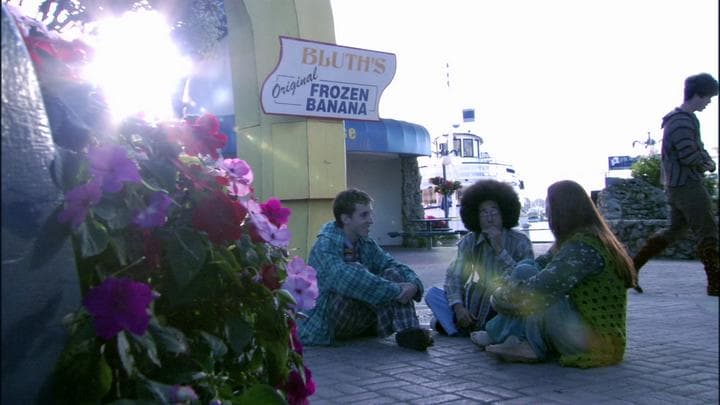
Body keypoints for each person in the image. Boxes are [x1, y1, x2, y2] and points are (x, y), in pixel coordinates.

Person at [471, 180, 637, 368]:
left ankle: (521, 342)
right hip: (590, 335)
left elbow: (539, 289)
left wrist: (497, 297)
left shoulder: (582, 248)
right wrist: (510, 280)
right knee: (525, 268)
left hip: (596, 343)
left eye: (549, 208)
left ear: (562, 212)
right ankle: (513, 339)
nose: (548, 214)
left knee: (542, 296)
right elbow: (536, 265)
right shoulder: (577, 240)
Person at [298, 189, 433, 351]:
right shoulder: (325, 246)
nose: (371, 221)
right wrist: (397, 291)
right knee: (356, 274)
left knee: (393, 273)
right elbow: (348, 280)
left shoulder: (365, 243)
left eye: (370, 214)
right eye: (364, 215)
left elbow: (391, 264)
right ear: (345, 218)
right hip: (328, 323)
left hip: (360, 318)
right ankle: (403, 329)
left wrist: (414, 284)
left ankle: (410, 333)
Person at [632, 73, 719, 296]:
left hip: (677, 185)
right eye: (708, 97)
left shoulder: (683, 119)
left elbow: (696, 148)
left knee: (674, 231)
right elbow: (689, 155)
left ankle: (631, 269)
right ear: (698, 94)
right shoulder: (681, 121)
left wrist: (705, 159)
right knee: (707, 231)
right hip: (687, 185)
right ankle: (715, 283)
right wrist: (707, 165)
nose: (710, 102)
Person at [424, 180, 534, 337]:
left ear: (504, 213)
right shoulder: (469, 241)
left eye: (494, 212)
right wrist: (459, 307)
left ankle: (456, 326)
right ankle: (463, 323)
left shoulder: (521, 242)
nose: (490, 218)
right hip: (474, 300)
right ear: (475, 215)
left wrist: (499, 249)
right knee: (432, 295)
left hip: (506, 300)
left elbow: (523, 280)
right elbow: (455, 277)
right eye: (484, 212)